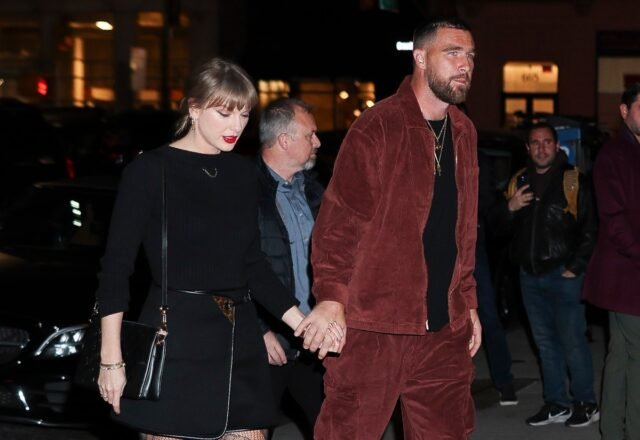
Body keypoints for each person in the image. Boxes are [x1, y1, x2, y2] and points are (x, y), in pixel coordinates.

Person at [95, 58, 341, 440]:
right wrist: (111, 358)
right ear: (194, 108)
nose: (236, 126)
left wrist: (303, 325)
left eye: (243, 114)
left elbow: (253, 264)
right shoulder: (150, 171)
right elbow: (116, 269)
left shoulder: (241, 174)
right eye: (225, 113)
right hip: (176, 339)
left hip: (237, 342)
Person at [296, 18, 482, 439]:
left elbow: (464, 232)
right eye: (453, 53)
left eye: (470, 56)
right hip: (375, 326)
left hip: (444, 330)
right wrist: (332, 297)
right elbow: (339, 224)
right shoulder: (378, 125)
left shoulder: (464, 132)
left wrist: (467, 302)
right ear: (420, 57)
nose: (465, 65)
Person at [499, 121, 598, 427]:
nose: (541, 148)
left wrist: (575, 267)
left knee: (572, 341)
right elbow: (499, 229)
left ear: (557, 146)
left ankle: (586, 402)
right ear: (527, 148)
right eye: (535, 143)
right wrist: (510, 208)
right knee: (545, 343)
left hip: (564, 275)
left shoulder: (573, 180)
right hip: (529, 276)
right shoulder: (519, 180)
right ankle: (557, 403)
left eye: (546, 142)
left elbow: (591, 229)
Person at [255, 97, 325, 439]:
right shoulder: (245, 191)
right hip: (268, 343)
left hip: (313, 340)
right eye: (310, 135)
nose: (318, 142)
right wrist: (257, 330)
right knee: (252, 432)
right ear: (284, 140)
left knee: (331, 427)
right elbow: (234, 268)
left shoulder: (314, 191)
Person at [583, 82, 640, 440]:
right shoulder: (615, 154)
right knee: (635, 360)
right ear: (624, 111)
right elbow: (614, 220)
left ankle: (613, 431)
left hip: (626, 275)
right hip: (626, 275)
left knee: (620, 356)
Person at [476, 150, 517, 406]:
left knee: (488, 315)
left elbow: (488, 206)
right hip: (435, 249)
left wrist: (507, 209)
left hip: (470, 249)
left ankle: (504, 380)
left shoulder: (473, 156)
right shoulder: (424, 149)